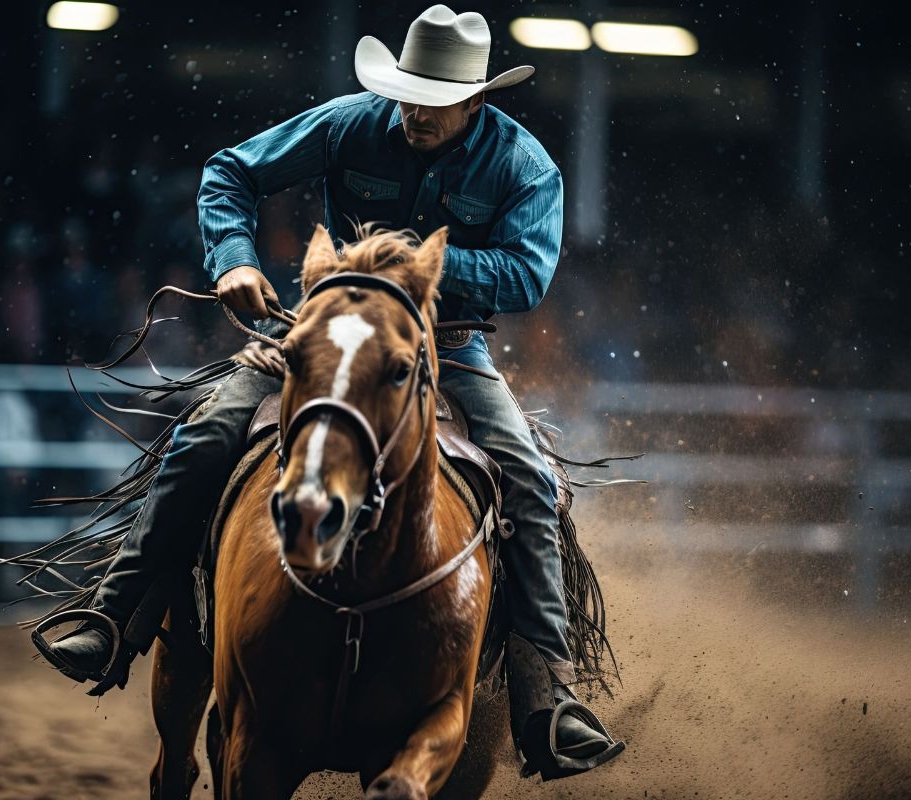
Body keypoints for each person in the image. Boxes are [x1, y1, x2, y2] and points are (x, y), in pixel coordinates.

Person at [42, 5, 623, 779]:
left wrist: (415, 266)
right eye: (410, 89)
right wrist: (235, 261)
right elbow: (231, 172)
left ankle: (546, 695)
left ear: (476, 101)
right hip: (327, 330)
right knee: (208, 431)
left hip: (448, 348)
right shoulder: (354, 123)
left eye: (436, 95)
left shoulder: (524, 166)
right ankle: (115, 615)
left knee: (529, 477)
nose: (416, 107)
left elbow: (526, 275)